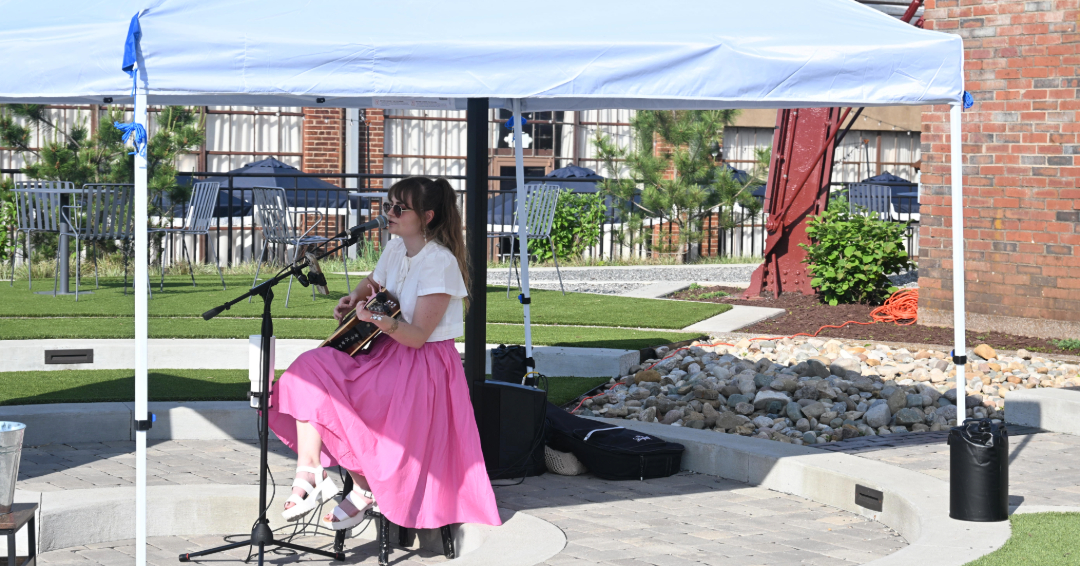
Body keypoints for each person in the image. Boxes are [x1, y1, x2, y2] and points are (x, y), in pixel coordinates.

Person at [267, 176, 502, 531]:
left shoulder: (439, 262)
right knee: (308, 369)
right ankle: (311, 470)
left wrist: (375, 319)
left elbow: (419, 337)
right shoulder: (396, 248)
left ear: (427, 216)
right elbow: (374, 283)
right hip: (385, 353)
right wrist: (354, 299)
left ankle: (363, 487)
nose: (388, 213)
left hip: (423, 367)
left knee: (349, 400)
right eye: (386, 206)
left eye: (398, 208)